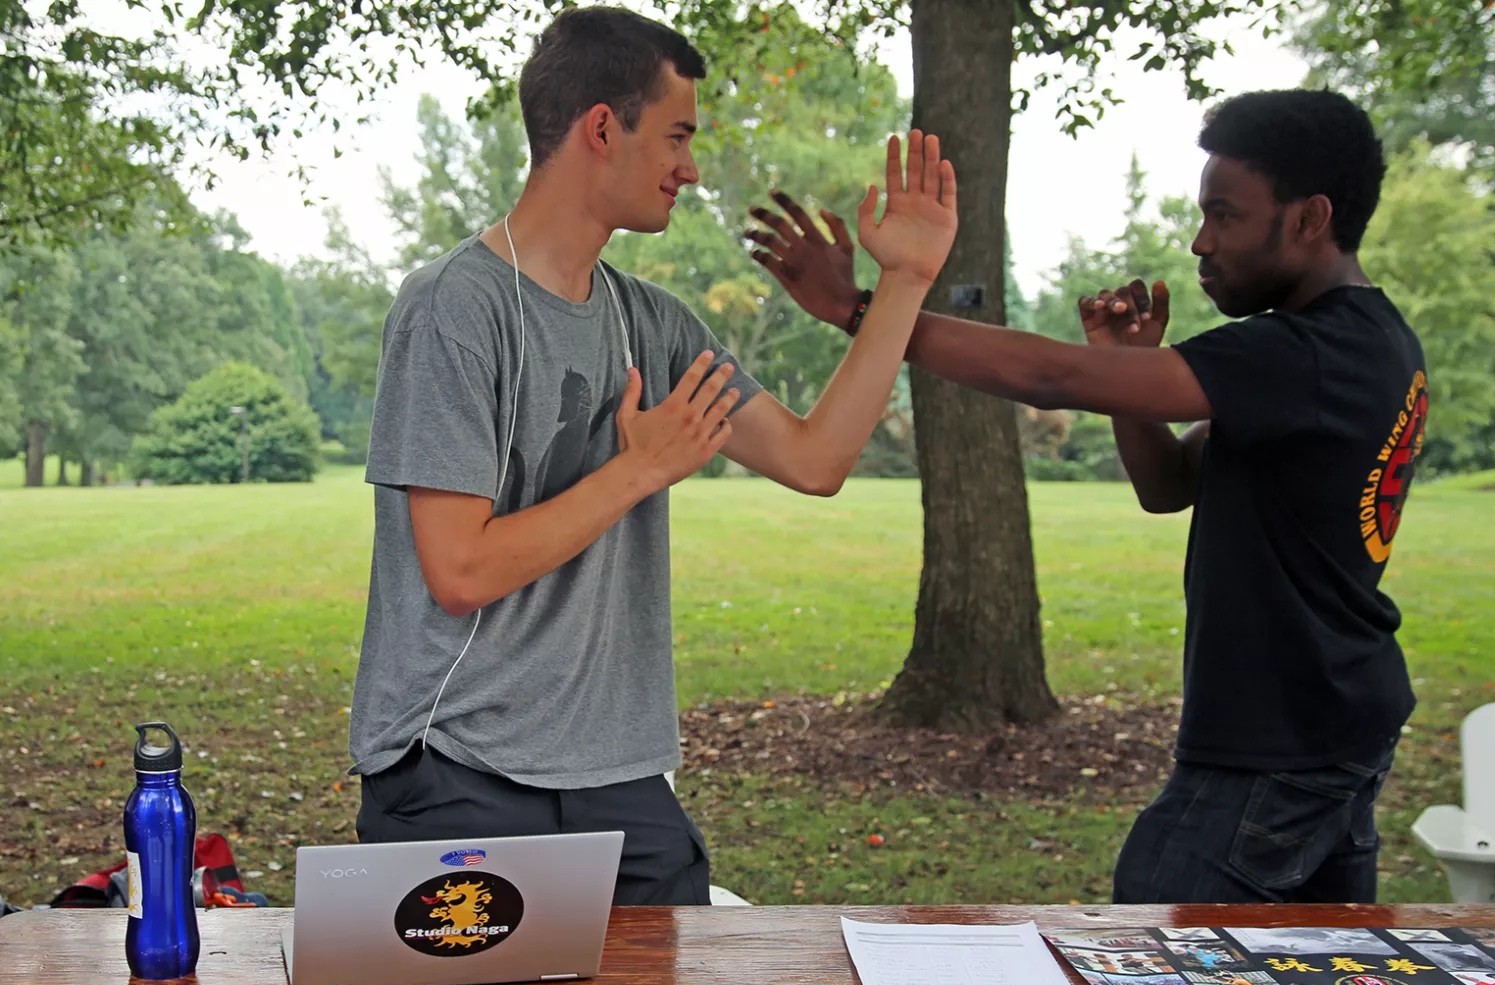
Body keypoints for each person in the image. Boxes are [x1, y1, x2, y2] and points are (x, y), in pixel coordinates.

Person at [746, 88, 1423, 904]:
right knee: (1308, 972)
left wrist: (862, 310)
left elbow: (1050, 375)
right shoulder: (1369, 344)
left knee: (1157, 944)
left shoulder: (1304, 353)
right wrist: (1132, 368)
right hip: (1338, 720)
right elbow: (1170, 486)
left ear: (1311, 219)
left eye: (1226, 216)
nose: (1201, 241)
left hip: (1278, 740)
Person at [348, 5, 957, 906]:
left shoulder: (652, 324)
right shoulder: (454, 308)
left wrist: (904, 283)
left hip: (617, 778)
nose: (691, 166)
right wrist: (637, 469)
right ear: (603, 127)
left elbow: (816, 458)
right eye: (676, 135)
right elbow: (459, 569)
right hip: (458, 768)